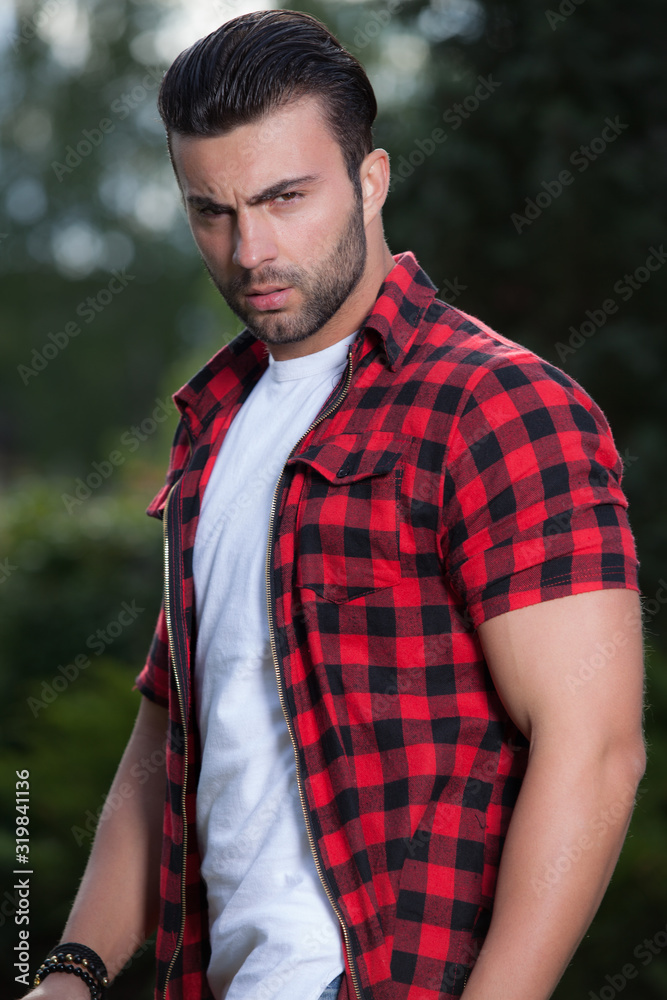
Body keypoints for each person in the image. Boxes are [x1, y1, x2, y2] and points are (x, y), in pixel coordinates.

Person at [27, 9, 645, 1000]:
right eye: (212, 211)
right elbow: (172, 724)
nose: (250, 248)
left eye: (284, 198)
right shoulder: (212, 425)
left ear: (370, 179)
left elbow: (596, 749)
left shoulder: (495, 405)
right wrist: (71, 971)